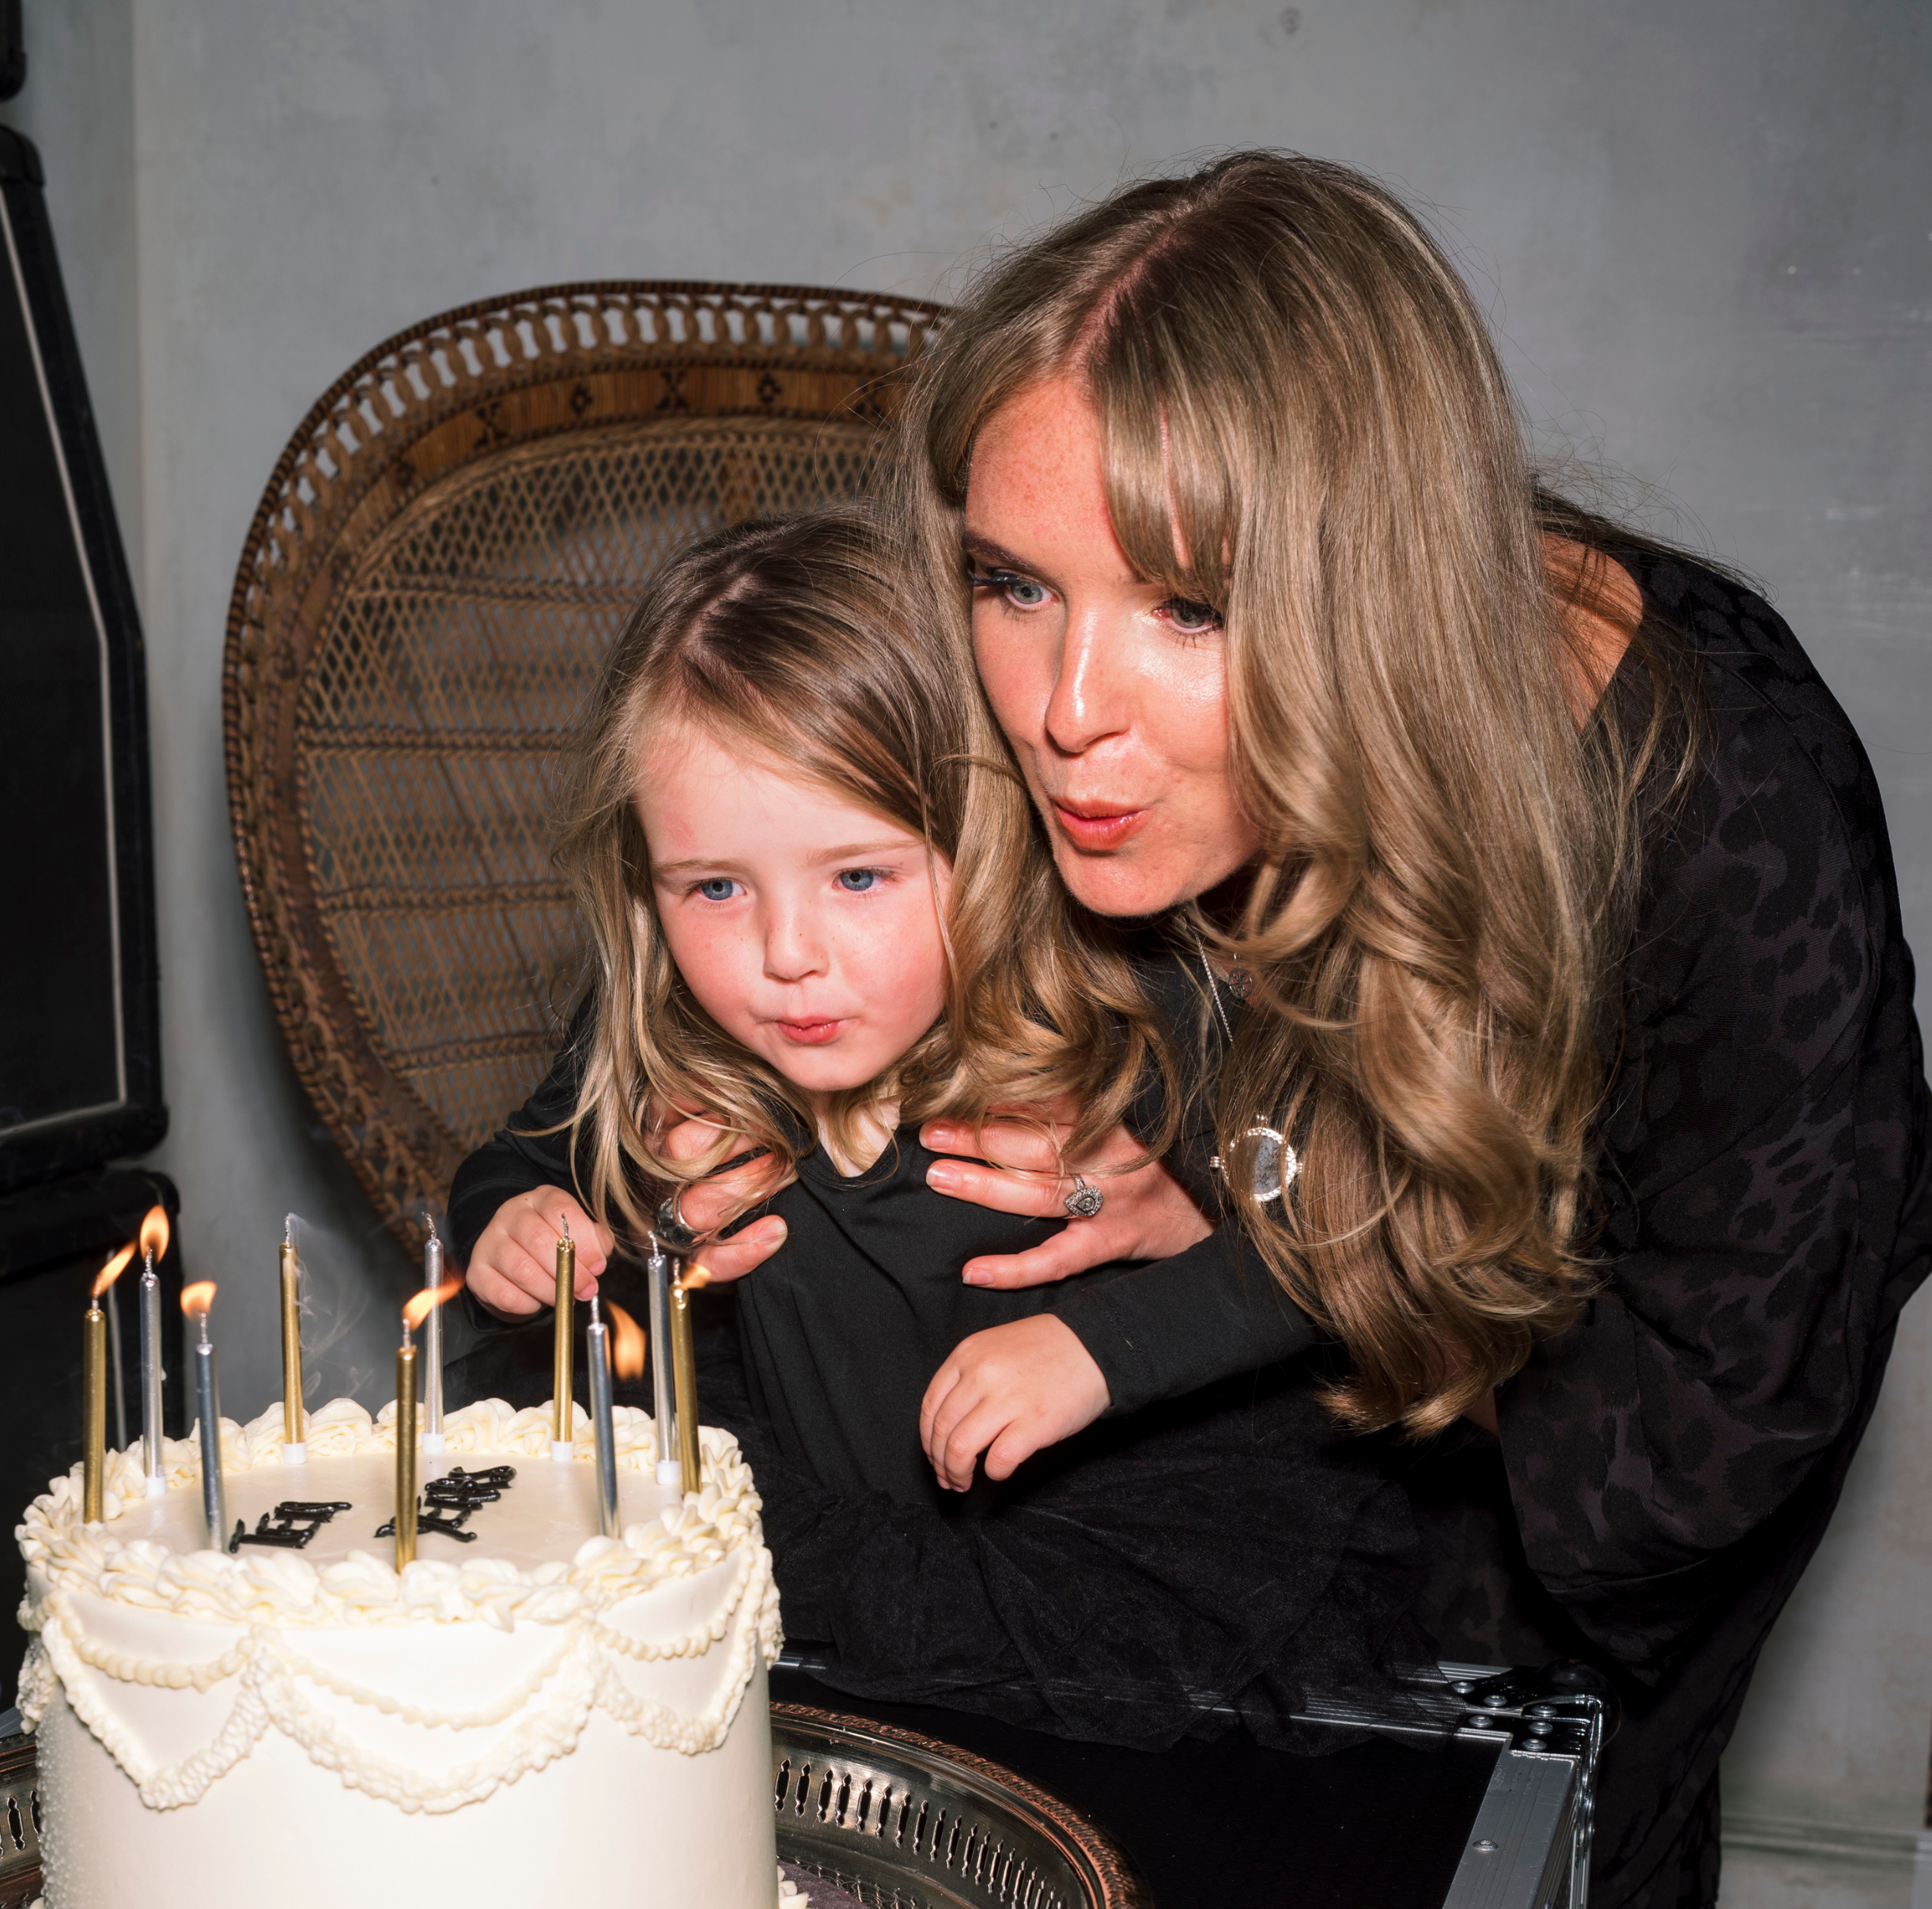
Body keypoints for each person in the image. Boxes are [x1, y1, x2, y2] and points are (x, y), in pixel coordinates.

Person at [823, 149, 1927, 1909]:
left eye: (1189, 609)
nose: (1066, 712)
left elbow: (1714, 1426)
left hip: (1609, 1457)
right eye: (1015, 585)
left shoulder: (1728, 803)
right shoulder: (1100, 745)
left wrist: (1300, 1230)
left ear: (1366, 590)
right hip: (1315, 1347)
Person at [450, 507, 1431, 1748]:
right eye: (714, 887)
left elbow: (1345, 1248)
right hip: (835, 1568)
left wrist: (1100, 1345)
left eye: (859, 877)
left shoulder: (1118, 1010)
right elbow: (525, 1160)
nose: (785, 956)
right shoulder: (665, 1037)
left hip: (1115, 1580)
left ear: (986, 839)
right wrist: (515, 1226)